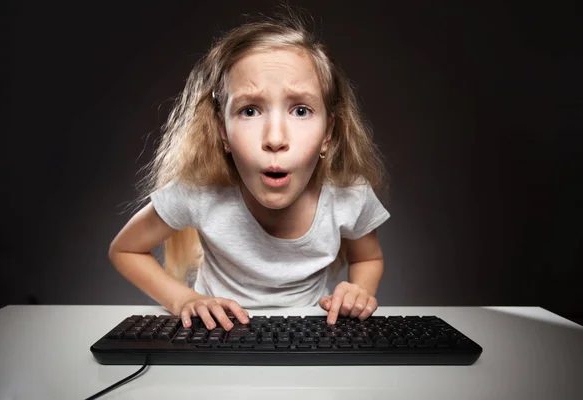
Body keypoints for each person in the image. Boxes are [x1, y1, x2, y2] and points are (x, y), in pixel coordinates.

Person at [108, 7, 391, 332]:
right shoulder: (200, 192)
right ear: (223, 132)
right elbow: (126, 249)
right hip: (213, 338)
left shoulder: (349, 195)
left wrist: (359, 291)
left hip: (309, 340)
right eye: (250, 110)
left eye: (300, 110)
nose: (274, 138)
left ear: (328, 133)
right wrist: (184, 300)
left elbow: (368, 258)